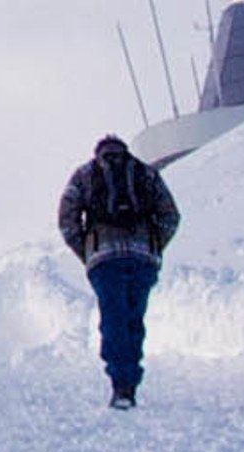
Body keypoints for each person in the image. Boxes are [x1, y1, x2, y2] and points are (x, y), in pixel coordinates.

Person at [54, 133, 179, 408]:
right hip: (141, 257)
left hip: (104, 259)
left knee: (113, 319)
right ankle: (130, 382)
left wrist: (87, 251)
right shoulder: (145, 173)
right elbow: (170, 215)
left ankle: (121, 385)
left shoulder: (85, 174)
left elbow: (66, 218)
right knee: (134, 319)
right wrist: (154, 245)